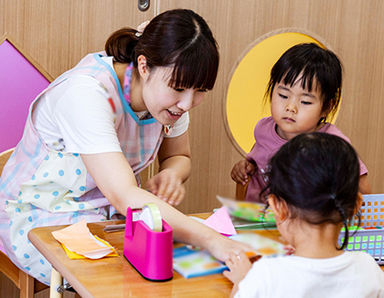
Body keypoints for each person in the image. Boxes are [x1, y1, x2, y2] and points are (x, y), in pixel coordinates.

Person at [0, 9, 250, 284]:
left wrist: (172, 174)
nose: (188, 103)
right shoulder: (87, 94)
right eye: (179, 88)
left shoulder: (172, 100)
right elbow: (123, 194)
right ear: (144, 66)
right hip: (41, 218)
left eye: (201, 90)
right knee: (133, 276)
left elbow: (179, 155)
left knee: (168, 264)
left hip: (110, 214)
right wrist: (211, 240)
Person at [224, 132, 384, 298]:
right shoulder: (368, 268)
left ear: (278, 208)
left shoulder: (266, 276)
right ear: (356, 205)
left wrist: (242, 280)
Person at [231, 43, 370, 202]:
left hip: (303, 224)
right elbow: (256, 161)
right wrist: (244, 168)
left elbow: (362, 187)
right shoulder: (264, 129)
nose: (291, 107)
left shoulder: (333, 143)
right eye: (283, 95)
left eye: (305, 102)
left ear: (326, 107)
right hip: (255, 219)